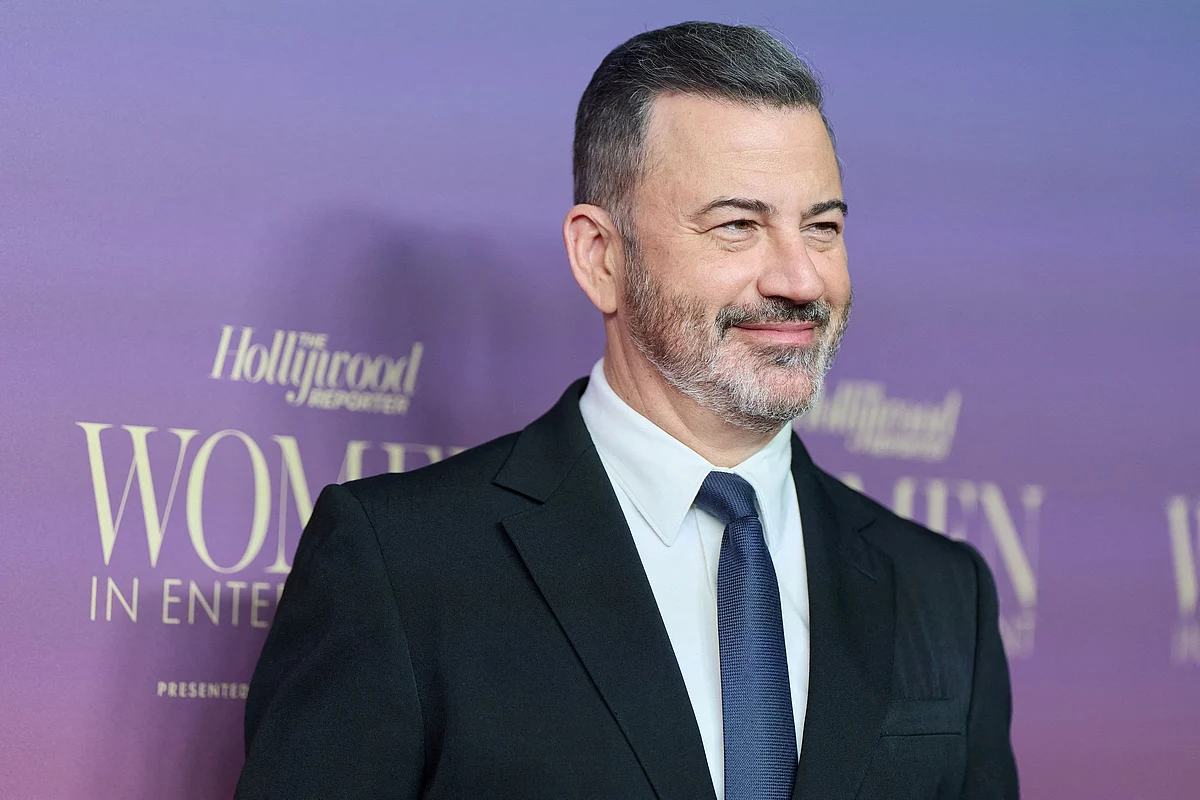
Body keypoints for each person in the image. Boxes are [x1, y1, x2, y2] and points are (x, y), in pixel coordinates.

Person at [235, 21, 1018, 800]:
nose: (801, 279)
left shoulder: (942, 592)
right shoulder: (401, 567)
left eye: (822, 227)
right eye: (738, 226)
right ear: (601, 257)